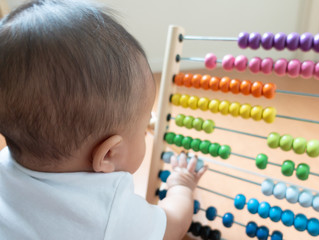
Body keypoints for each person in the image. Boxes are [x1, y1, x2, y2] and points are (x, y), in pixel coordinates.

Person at [0, 0, 207, 239]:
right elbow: (174, 225)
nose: (146, 130)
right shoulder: (111, 212)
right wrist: (181, 186)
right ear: (108, 154)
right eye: (142, 131)